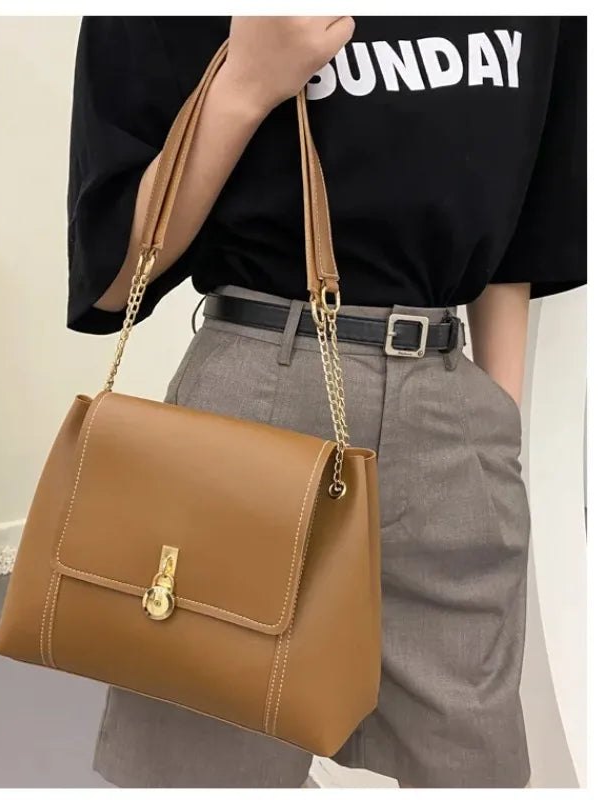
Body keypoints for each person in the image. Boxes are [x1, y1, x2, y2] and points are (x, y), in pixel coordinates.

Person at [65, 16, 586, 789]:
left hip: (452, 412)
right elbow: (113, 279)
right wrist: (246, 84)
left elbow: (525, 223)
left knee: (472, 759)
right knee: (205, 761)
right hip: (254, 400)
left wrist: (499, 418)